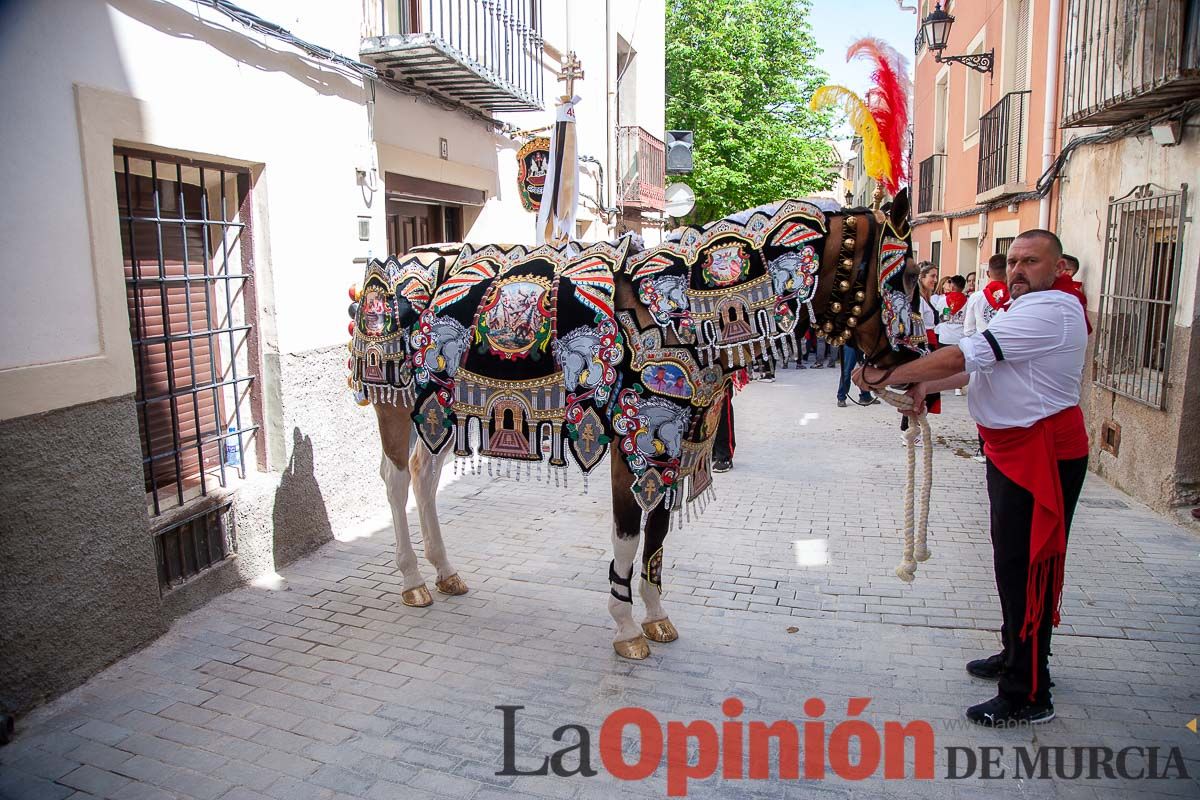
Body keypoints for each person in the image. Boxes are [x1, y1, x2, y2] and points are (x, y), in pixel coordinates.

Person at [853, 229, 1089, 727]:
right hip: (1015, 450)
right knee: (1015, 564)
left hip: (1039, 453)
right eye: (1014, 262)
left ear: (1059, 269)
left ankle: (1027, 693)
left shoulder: (1051, 309)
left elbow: (965, 356)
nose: (1019, 270)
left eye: (1032, 261)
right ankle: (1018, 657)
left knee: (1024, 568)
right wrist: (923, 384)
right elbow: (981, 369)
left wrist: (888, 376)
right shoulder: (1026, 308)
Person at [963, 254, 1010, 338]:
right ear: (1008, 273)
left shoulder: (975, 297)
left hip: (982, 344)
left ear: (988, 273)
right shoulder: (1015, 297)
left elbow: (968, 330)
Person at [836, 343, 879, 408]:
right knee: (847, 371)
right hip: (850, 343)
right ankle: (841, 397)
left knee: (864, 370)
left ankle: (865, 396)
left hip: (863, 342)